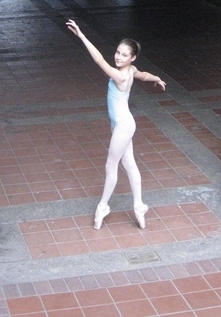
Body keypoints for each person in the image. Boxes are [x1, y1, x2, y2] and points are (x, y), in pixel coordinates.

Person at [66, 19, 166, 230]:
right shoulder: (130, 71)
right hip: (122, 124)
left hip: (123, 125)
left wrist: (82, 36)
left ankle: (103, 206)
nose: (119, 57)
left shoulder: (121, 75)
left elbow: (100, 60)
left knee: (111, 166)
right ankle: (139, 206)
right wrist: (157, 78)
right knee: (129, 165)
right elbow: (143, 75)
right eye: (118, 52)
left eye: (124, 55)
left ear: (133, 57)